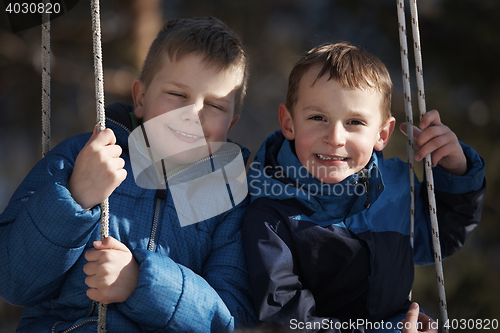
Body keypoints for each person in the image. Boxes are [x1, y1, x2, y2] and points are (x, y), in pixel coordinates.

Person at [0, 17, 256, 332]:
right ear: (140, 98)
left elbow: (231, 320)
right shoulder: (82, 157)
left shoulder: (227, 199)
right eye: (177, 95)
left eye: (215, 106)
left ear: (231, 124)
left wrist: (143, 283)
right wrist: (75, 197)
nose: (193, 114)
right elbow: (12, 281)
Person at [241, 42, 486, 332]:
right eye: (318, 118)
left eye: (354, 122)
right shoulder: (270, 212)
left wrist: (455, 169)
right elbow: (286, 318)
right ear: (289, 122)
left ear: (382, 134)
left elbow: (440, 236)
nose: (334, 137)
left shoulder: (395, 184)